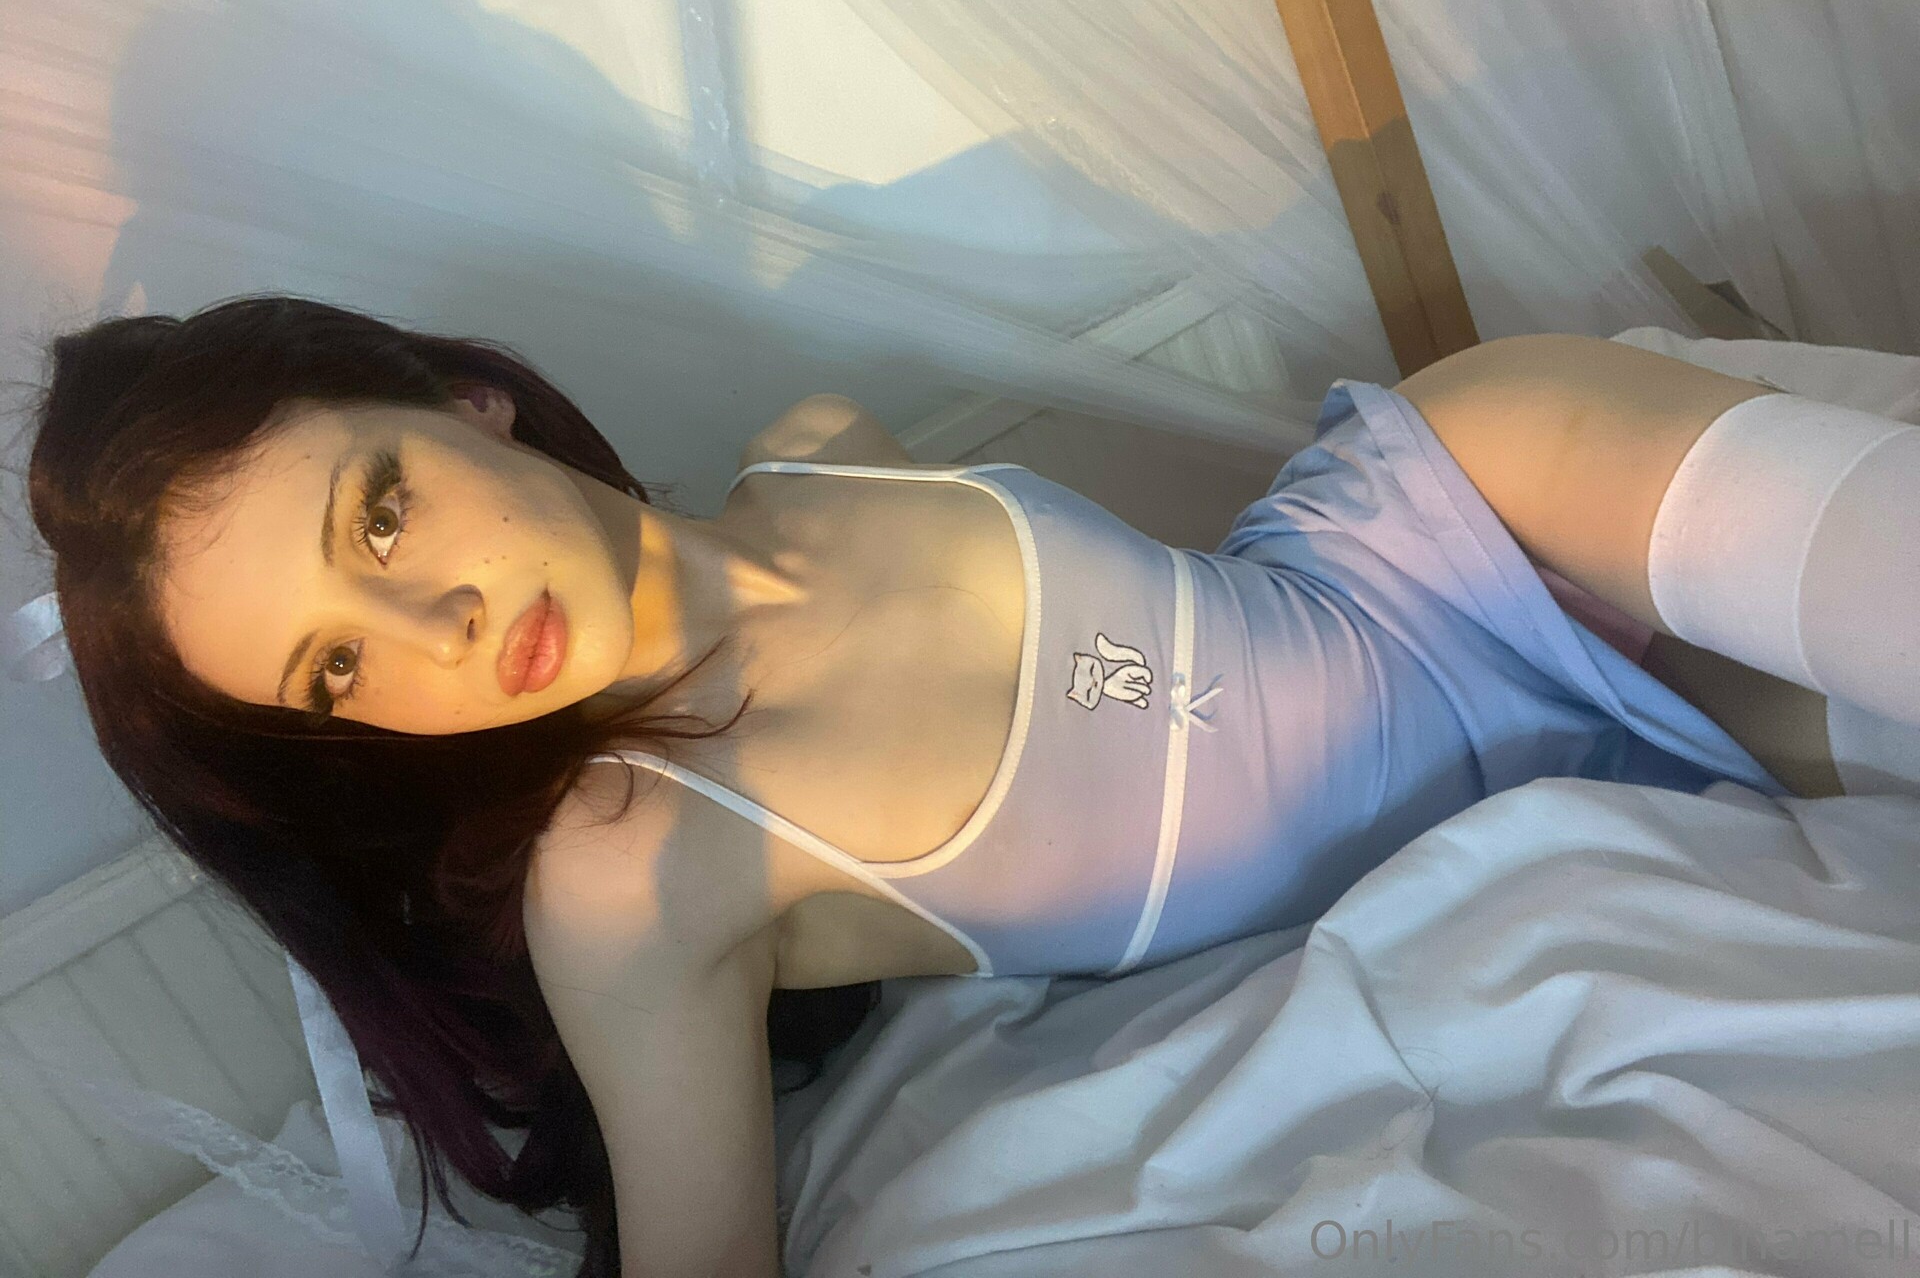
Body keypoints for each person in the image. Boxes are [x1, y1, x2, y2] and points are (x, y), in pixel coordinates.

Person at [21, 293, 1915, 1278]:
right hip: (1528, 768)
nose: (432, 624)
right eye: (337, 671)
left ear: (460, 399)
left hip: (1471, 504)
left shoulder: (828, 448)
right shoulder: (635, 869)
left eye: (379, 514)